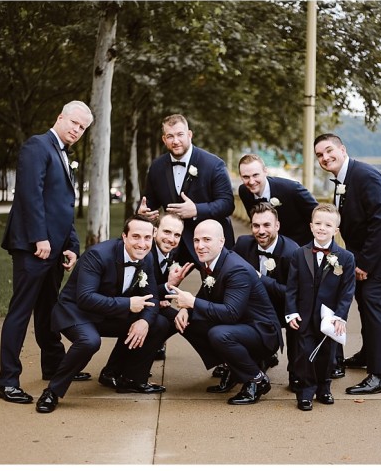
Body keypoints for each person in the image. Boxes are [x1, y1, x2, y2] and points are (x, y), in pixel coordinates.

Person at [313, 133, 381, 395]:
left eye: (329, 151)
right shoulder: (344, 178)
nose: (325, 157)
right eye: (319, 155)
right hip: (380, 246)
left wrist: (364, 264)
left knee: (375, 297)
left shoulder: (365, 175)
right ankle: (368, 354)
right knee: (364, 295)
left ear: (342, 149)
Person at [0, 100, 93, 404]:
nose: (77, 130)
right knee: (20, 312)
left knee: (49, 310)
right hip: (32, 246)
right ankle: (7, 381)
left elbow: (62, 207)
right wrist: (40, 238)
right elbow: (29, 195)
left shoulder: (63, 154)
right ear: (60, 117)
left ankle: (53, 364)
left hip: (53, 248)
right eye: (74, 123)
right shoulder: (37, 146)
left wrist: (71, 246)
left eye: (82, 128)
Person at [34, 215, 171, 413]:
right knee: (90, 341)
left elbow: (152, 298)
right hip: (76, 313)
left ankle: (122, 376)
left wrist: (144, 322)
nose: (142, 244)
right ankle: (52, 392)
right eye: (136, 237)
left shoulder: (146, 257)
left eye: (147, 238)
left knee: (157, 322)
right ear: (124, 236)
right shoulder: (97, 255)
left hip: (108, 314)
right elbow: (85, 298)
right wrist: (128, 304)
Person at [166, 220, 282, 405]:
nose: (200, 246)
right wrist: (186, 308)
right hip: (240, 324)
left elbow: (230, 313)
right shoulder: (209, 260)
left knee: (219, 335)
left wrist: (193, 302)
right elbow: (206, 292)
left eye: (206, 240)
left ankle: (256, 379)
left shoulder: (236, 269)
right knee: (187, 322)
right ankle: (232, 367)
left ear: (221, 241)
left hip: (262, 331)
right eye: (196, 240)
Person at [284, 204, 357, 411]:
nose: (322, 228)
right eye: (318, 223)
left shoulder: (346, 258)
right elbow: (291, 287)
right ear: (311, 226)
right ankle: (305, 392)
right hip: (304, 315)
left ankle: (324, 388)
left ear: (336, 230)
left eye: (328, 225)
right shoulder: (299, 254)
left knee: (328, 354)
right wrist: (291, 312)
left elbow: (347, 291)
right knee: (305, 353)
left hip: (329, 318)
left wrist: (340, 316)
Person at [138, 114, 236, 266]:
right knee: (160, 285)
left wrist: (196, 210)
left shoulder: (214, 164)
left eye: (180, 135)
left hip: (209, 242)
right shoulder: (156, 167)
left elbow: (227, 204)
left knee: (216, 287)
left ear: (189, 135)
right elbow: (150, 201)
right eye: (170, 136)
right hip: (172, 241)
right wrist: (144, 211)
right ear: (164, 139)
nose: (175, 141)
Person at [99, 213, 184, 385]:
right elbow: (132, 288)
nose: (171, 239)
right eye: (166, 232)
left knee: (178, 320)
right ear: (154, 231)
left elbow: (150, 287)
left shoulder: (171, 252)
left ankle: (126, 366)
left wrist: (167, 290)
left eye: (177, 235)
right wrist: (162, 292)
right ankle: (129, 372)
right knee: (161, 322)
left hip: (146, 302)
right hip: (119, 305)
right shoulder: (143, 249)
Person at [232, 202, 301, 390]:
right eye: (256, 225)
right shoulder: (243, 244)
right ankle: (250, 363)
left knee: (297, 322)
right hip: (255, 307)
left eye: (266, 225)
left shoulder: (293, 252)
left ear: (277, 226)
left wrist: (261, 279)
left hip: (284, 307)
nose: (260, 231)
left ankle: (296, 372)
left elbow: (294, 293)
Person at [237, 153, 318, 246]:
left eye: (255, 175)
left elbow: (320, 216)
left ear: (265, 171)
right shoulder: (244, 191)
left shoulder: (292, 189)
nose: (251, 182)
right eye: (246, 177)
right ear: (241, 176)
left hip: (300, 246)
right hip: (269, 247)